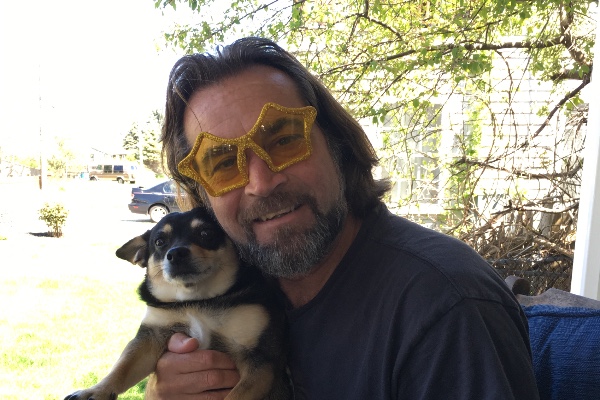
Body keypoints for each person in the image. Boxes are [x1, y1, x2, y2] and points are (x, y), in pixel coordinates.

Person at [147, 37, 540, 399]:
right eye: (222, 163)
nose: (261, 183)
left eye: (284, 140)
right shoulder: (243, 287)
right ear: (203, 194)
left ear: (336, 143)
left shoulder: (445, 310)